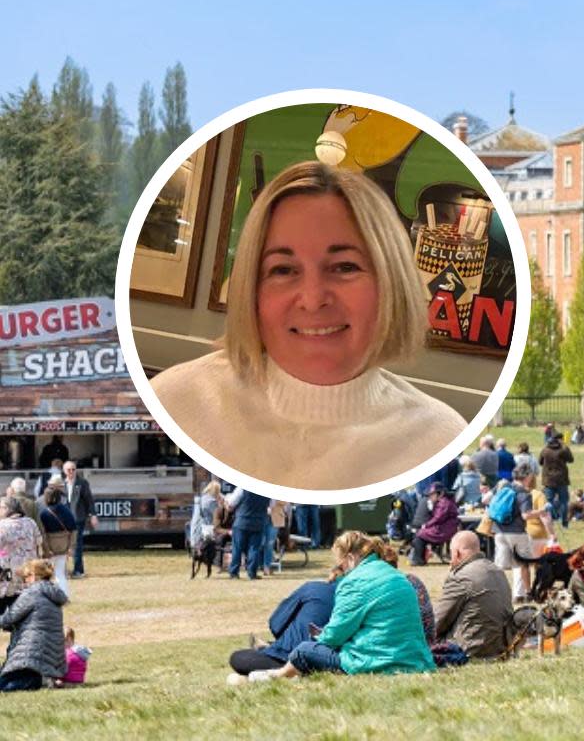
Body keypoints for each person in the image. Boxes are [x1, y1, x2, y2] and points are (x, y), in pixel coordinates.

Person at [151, 161, 467, 490]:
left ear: (391, 282)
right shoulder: (174, 402)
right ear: (252, 290)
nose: (313, 299)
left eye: (345, 266)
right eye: (283, 270)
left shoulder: (441, 439)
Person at [245, 532, 434, 681]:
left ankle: (278, 675)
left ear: (350, 558)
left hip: (378, 661)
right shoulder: (397, 576)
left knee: (304, 649)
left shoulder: (354, 582)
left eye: (341, 565)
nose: (342, 571)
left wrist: (320, 636)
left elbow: (335, 635)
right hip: (415, 660)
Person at [433, 530, 513, 659]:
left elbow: (437, 622)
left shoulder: (461, 577)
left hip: (469, 649)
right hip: (501, 647)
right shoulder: (497, 571)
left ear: (456, 553)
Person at [230, 579, 336, 675]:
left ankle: (286, 668)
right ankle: (270, 648)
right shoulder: (349, 601)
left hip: (291, 655)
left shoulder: (313, 588)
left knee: (237, 658)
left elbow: (276, 624)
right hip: (326, 656)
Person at [0, 560, 66, 692]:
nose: (25, 582)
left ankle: (39, 681)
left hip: (31, 653)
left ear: (34, 576)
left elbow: (8, 618)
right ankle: (40, 679)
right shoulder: (52, 593)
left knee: (4, 685)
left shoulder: (32, 593)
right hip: (48, 653)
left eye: (26, 577)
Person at [494, 467, 537, 601]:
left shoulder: (504, 488)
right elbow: (525, 515)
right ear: (527, 477)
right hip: (517, 532)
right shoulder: (523, 493)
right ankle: (528, 594)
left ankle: (497, 594)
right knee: (523, 564)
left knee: (500, 566)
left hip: (499, 532)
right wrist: (542, 512)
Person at [0, 498, 44, 613]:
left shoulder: (2, 525)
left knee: (6, 602)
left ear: (7, 509)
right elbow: (39, 541)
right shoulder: (31, 522)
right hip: (27, 571)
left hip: (8, 573)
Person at [37, 478, 77, 597]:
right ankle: (64, 596)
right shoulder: (66, 510)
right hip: (64, 545)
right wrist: (71, 547)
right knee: (60, 573)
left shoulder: (44, 513)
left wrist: (46, 549)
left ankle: (48, 597)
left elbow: (43, 534)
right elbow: (73, 529)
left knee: (46, 574)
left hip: (50, 547)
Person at [409, 483, 459, 566]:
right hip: (445, 528)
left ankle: (418, 560)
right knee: (421, 533)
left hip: (444, 530)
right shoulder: (445, 501)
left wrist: (426, 525)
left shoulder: (444, 503)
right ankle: (419, 559)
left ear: (440, 493)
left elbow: (438, 518)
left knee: (420, 534)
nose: (430, 497)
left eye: (432, 494)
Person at [228, 488, 271, 580]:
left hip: (242, 521)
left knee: (237, 549)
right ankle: (252, 573)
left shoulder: (242, 488)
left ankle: (234, 572)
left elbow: (231, 503)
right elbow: (272, 505)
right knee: (254, 549)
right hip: (258, 522)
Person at [62, 462, 95, 579]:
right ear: (64, 471)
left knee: (77, 545)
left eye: (73, 469)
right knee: (62, 546)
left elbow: (89, 500)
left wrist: (93, 515)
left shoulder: (82, 483)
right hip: (63, 519)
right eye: (68, 470)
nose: (71, 472)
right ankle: (63, 571)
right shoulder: (61, 484)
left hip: (78, 518)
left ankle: (78, 571)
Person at [539, 431, 575, 528]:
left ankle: (550, 520)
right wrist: (566, 447)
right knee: (564, 501)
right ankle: (564, 523)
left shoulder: (545, 450)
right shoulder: (563, 450)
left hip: (548, 479)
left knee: (549, 502)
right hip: (561, 479)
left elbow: (540, 462)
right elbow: (571, 459)